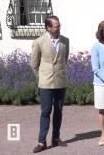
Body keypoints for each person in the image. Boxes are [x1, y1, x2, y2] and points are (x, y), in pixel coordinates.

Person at [31, 15, 69, 153]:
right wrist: (41, 78)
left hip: (61, 82)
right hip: (45, 83)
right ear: (48, 27)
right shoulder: (39, 42)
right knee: (46, 112)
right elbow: (34, 64)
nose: (59, 27)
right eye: (56, 26)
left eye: (59, 25)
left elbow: (64, 60)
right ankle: (41, 142)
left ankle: (56, 138)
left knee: (59, 111)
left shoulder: (65, 41)